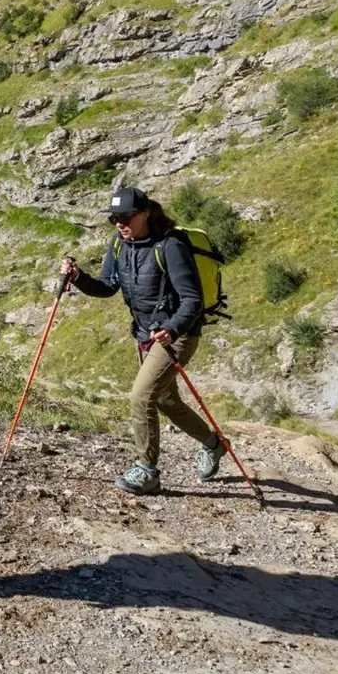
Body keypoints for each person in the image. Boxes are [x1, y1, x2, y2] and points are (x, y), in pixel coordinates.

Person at [59, 186, 227, 494]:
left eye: (125, 217)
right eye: (114, 219)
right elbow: (107, 286)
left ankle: (147, 470)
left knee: (141, 397)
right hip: (144, 334)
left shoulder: (170, 246)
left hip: (178, 335)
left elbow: (192, 299)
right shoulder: (119, 245)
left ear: (145, 214)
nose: (119, 224)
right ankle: (213, 444)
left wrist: (172, 328)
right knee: (164, 400)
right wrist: (78, 278)